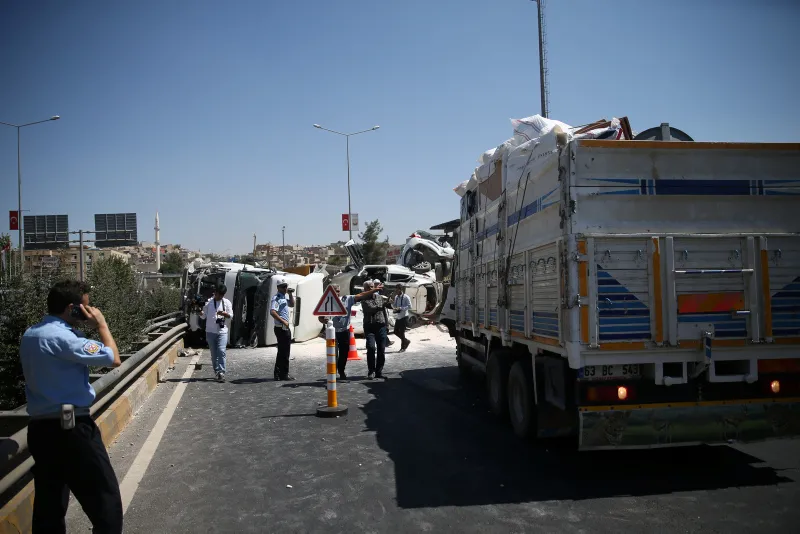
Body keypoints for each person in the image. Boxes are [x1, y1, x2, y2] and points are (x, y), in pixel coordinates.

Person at [20, 280, 123, 533]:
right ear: (72, 308)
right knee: (105, 501)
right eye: (86, 307)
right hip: (72, 430)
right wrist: (101, 325)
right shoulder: (64, 338)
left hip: (40, 431)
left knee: (50, 507)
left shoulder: (31, 334)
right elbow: (114, 358)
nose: (90, 311)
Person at [318, 283, 383, 380]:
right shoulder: (327, 302)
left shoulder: (347, 299)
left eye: (338, 291)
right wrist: (325, 320)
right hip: (332, 332)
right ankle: (333, 373)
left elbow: (361, 295)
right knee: (333, 353)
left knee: (344, 353)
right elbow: (320, 317)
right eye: (334, 291)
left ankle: (341, 371)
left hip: (345, 331)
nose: (337, 293)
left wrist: (374, 290)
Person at [200, 284, 233, 382]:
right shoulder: (209, 302)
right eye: (218, 294)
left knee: (221, 351)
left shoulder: (226, 302)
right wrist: (199, 312)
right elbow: (203, 316)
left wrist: (224, 314)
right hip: (210, 331)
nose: (219, 297)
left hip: (222, 331)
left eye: (222, 295)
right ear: (215, 293)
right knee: (214, 354)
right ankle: (217, 371)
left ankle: (221, 372)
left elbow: (231, 316)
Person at [361, 279, 390, 379]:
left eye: (372, 287)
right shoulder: (364, 298)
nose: (371, 289)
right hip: (370, 327)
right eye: (368, 288)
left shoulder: (379, 297)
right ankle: (371, 370)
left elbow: (384, 310)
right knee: (371, 348)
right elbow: (370, 308)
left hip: (381, 326)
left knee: (381, 349)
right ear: (365, 289)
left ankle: (379, 371)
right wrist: (382, 305)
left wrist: (387, 324)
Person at [271, 277, 295, 381]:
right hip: (281, 328)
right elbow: (273, 312)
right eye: (283, 287)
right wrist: (283, 321)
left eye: (286, 286)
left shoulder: (284, 297)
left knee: (283, 351)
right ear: (278, 288)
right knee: (284, 352)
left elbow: (292, 304)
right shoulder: (276, 298)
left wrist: (290, 294)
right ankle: (283, 373)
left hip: (284, 327)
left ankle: (278, 373)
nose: (285, 288)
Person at [392, 285, 412, 352]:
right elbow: (395, 305)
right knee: (395, 331)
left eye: (397, 290)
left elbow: (410, 306)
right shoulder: (396, 297)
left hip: (404, 317)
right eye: (395, 290)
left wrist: (401, 308)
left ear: (400, 289)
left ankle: (403, 348)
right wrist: (392, 303)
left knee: (402, 332)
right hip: (398, 317)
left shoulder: (406, 297)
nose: (396, 292)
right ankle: (406, 341)